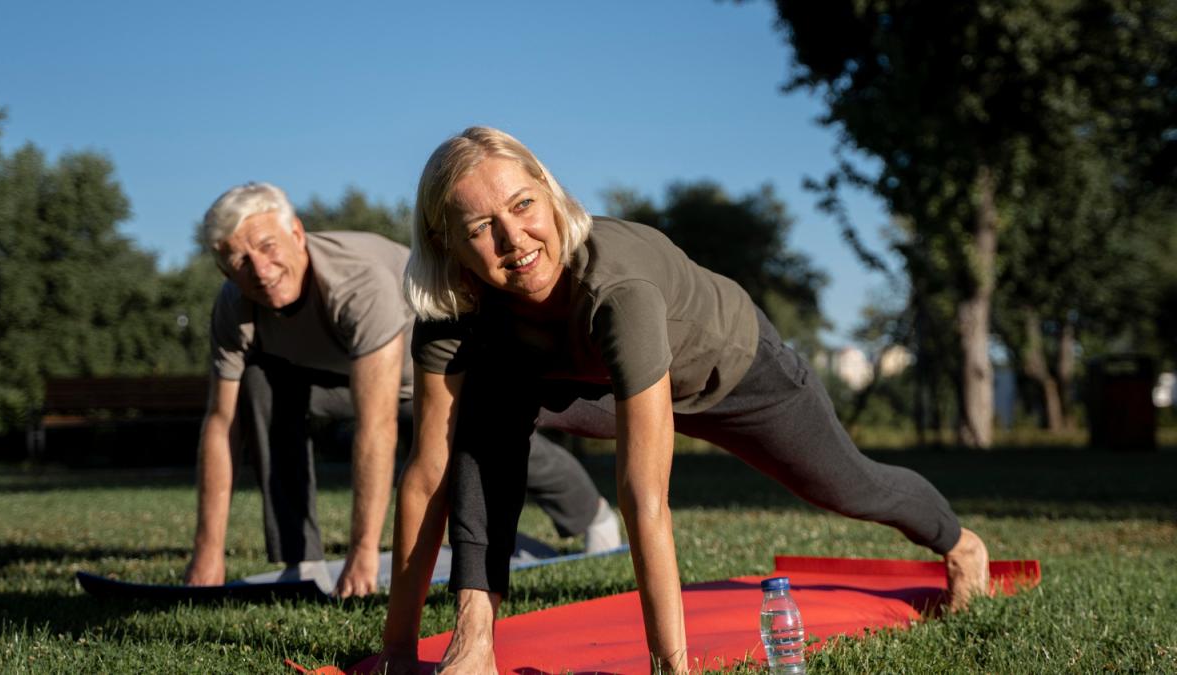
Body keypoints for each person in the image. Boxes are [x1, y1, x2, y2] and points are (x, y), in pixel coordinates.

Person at [382, 127, 991, 673]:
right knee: (485, 413)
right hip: (588, 386)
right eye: (481, 229)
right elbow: (428, 471)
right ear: (447, 243)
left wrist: (671, 667)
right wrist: (399, 653)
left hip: (732, 372)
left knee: (850, 488)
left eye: (522, 206)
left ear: (548, 191)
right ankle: (474, 638)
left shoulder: (617, 290)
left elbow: (644, 496)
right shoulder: (453, 310)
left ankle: (961, 543)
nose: (514, 239)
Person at [183, 182, 620, 599]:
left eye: (267, 246)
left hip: (433, 375)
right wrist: (207, 552)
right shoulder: (233, 307)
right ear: (224, 268)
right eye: (239, 261)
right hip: (347, 375)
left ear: (296, 233)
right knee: (259, 386)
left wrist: (363, 555)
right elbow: (222, 425)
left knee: (488, 440)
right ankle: (299, 560)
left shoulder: (357, 280)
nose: (260, 270)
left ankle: (591, 513)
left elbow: (375, 426)